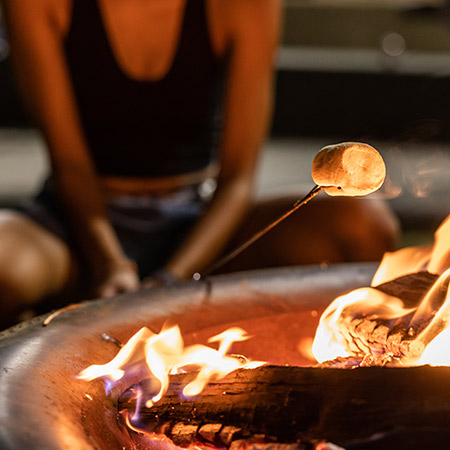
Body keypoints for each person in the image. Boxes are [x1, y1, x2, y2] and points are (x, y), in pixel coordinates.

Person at [0, 0, 399, 328]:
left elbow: (238, 180)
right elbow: (69, 163)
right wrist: (110, 263)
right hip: (73, 227)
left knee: (362, 223)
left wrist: (171, 281)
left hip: (197, 221)